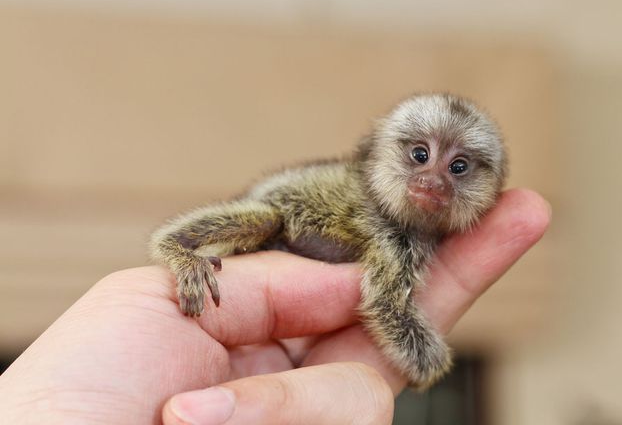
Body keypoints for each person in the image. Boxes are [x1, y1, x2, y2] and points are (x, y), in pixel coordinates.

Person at [0, 189, 550, 424]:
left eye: (459, 171)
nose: (432, 182)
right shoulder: (388, 227)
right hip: (281, 222)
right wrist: (428, 361)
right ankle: (176, 250)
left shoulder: (420, 238)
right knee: (261, 220)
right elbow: (387, 305)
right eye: (419, 157)